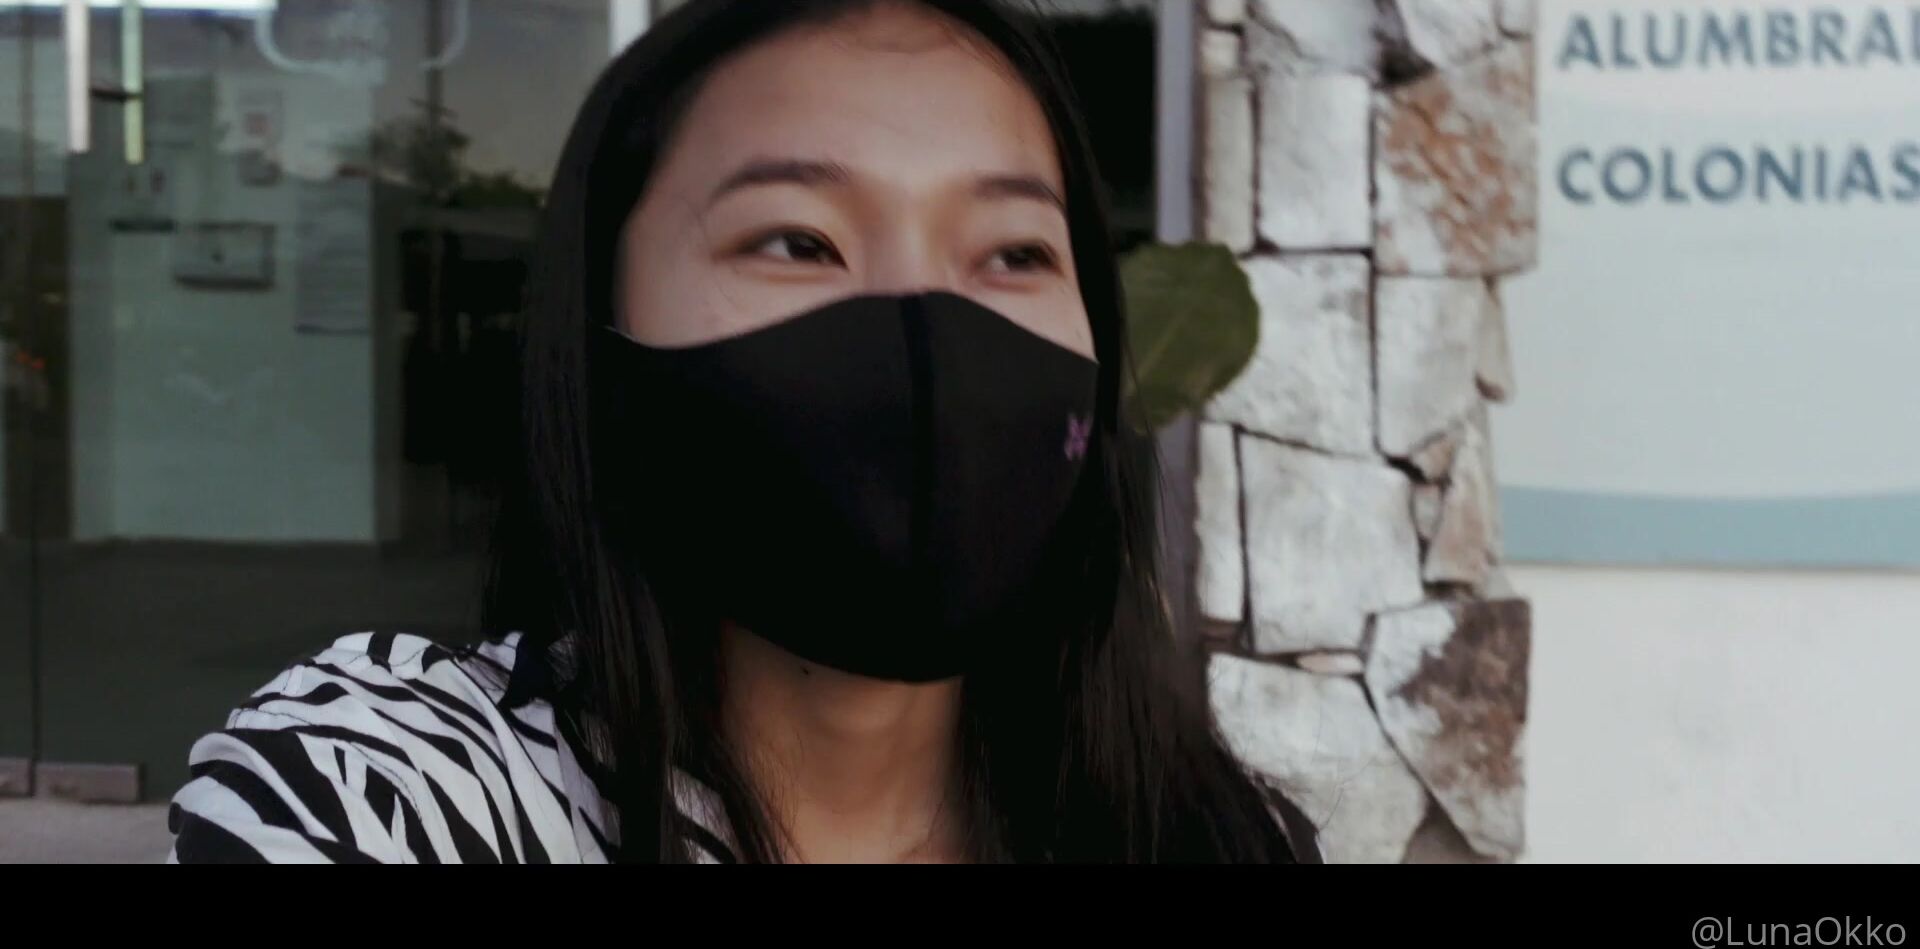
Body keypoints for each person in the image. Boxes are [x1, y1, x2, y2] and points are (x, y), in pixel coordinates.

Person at [167, 0, 1321, 865]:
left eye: (1015, 252)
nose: (926, 330)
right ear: (602, 331)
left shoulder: (1213, 834)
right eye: (797, 241)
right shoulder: (392, 789)